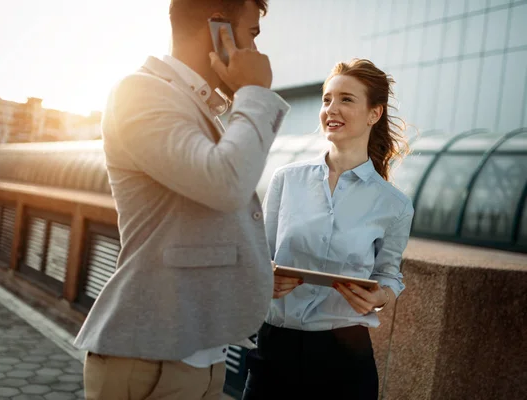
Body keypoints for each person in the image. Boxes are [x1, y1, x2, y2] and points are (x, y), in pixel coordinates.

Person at [73, 0, 290, 399]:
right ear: (218, 30)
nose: (258, 52)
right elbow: (224, 183)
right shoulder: (139, 91)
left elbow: (196, 218)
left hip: (203, 360)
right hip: (147, 364)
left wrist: (256, 269)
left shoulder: (195, 104)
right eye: (252, 34)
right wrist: (255, 91)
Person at [242, 59, 415, 400]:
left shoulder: (393, 204)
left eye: (346, 99)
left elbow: (389, 274)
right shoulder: (286, 180)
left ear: (374, 114)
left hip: (344, 357)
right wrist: (265, 278)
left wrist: (380, 296)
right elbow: (256, 256)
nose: (331, 109)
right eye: (326, 99)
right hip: (275, 345)